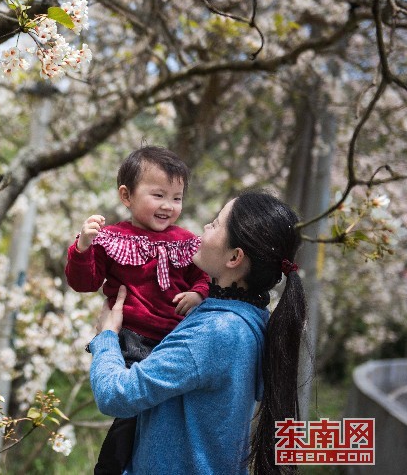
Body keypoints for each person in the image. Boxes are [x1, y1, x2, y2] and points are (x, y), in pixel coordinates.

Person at [89, 190, 307, 474]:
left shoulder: (216, 332)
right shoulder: (252, 321)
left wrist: (106, 336)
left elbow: (117, 395)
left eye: (216, 224)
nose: (205, 227)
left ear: (234, 257)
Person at [65, 146, 210, 474]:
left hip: (174, 339)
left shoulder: (185, 241)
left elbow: (203, 277)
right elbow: (85, 282)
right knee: (129, 412)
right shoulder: (113, 238)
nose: (168, 206)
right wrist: (83, 247)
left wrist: (198, 294)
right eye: (158, 195)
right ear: (126, 196)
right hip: (130, 337)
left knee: (165, 411)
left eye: (176, 198)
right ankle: (111, 468)